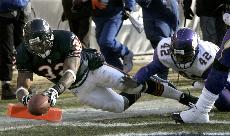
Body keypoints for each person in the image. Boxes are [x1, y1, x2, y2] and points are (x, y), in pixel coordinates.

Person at [15, 18, 196, 113]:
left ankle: (182, 97)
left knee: (135, 86)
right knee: (119, 106)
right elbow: (22, 84)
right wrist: (24, 98)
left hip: (94, 70)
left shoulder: (65, 38)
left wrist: (54, 91)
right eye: (34, 44)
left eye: (41, 42)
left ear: (50, 37)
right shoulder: (24, 52)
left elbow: (71, 71)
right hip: (80, 88)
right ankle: (149, 84)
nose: (38, 47)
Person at [122, 27, 230, 111]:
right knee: (224, 103)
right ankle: (199, 84)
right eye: (178, 55)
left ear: (197, 50)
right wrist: (137, 80)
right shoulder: (165, 49)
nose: (181, 60)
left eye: (185, 56)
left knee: (225, 103)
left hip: (221, 72)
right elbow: (149, 69)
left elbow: (219, 80)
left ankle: (202, 84)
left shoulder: (207, 58)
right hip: (202, 76)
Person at [171, 12, 230, 123]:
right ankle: (201, 111)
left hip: (220, 73)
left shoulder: (206, 53)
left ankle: (200, 111)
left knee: (225, 102)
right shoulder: (163, 52)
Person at [135, 0, 180, 80]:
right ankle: (162, 80)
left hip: (158, 26)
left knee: (162, 57)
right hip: (159, 25)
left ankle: (162, 81)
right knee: (163, 56)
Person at [91, 0, 135, 73]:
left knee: (106, 41)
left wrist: (129, 8)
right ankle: (119, 72)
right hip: (98, 16)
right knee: (104, 48)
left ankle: (126, 53)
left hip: (114, 14)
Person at [0, 0, 31, 100]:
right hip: (3, 11)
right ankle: (6, 87)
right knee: (6, 51)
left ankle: (25, 85)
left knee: (24, 49)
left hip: (23, 9)